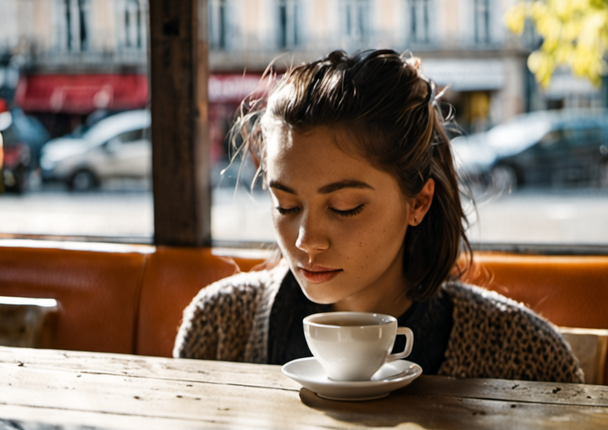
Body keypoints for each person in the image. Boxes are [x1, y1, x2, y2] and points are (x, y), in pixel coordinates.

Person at [174, 49, 584, 383]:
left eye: (344, 207)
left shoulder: (520, 352)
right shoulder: (221, 326)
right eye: (286, 205)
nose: (305, 241)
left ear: (418, 203)